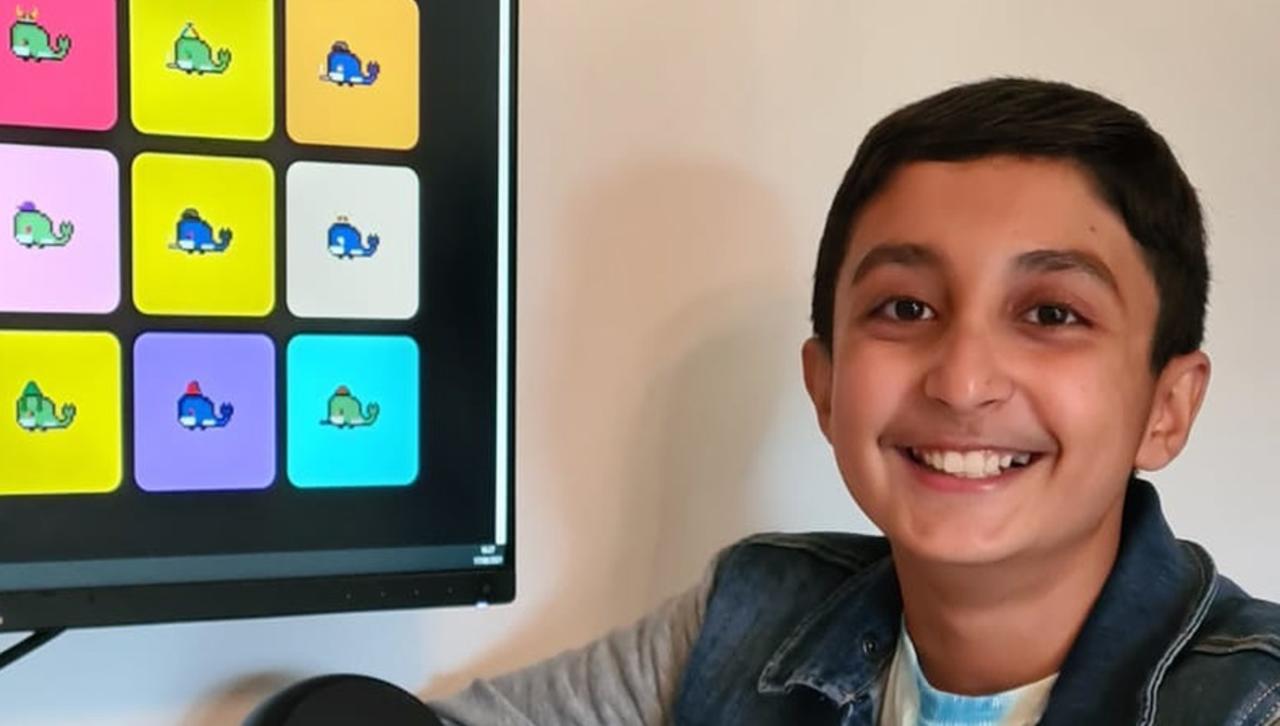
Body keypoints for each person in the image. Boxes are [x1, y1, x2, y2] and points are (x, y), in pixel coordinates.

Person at [431, 78, 1280, 725]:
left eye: (1051, 315)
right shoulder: (748, 617)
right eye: (906, 308)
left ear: (1167, 407)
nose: (962, 382)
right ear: (826, 384)